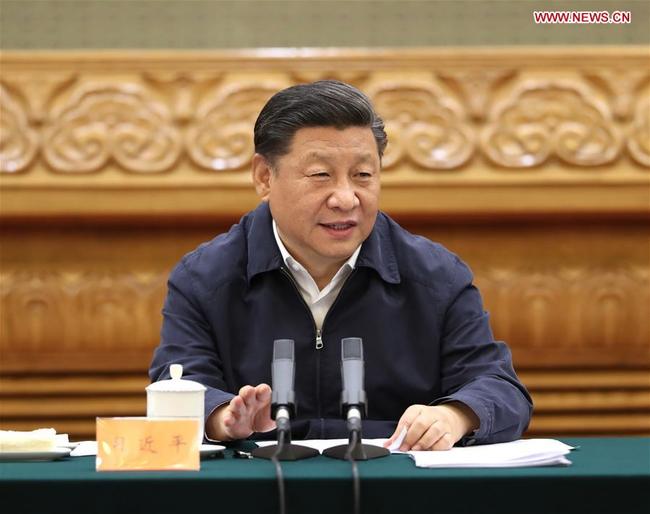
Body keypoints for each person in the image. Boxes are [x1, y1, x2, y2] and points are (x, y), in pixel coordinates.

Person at [149, 80, 532, 451]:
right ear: (265, 177)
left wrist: (455, 415)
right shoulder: (204, 277)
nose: (347, 198)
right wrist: (223, 418)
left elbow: (499, 387)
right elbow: (179, 379)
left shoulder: (436, 276)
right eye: (321, 175)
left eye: (363, 175)